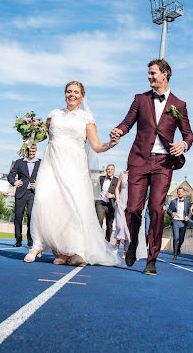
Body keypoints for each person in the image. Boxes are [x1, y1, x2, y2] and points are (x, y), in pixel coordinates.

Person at [110, 59, 193, 275]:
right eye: (148, 73)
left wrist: (183, 144)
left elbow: (188, 134)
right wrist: (118, 131)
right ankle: (132, 245)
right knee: (133, 209)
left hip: (164, 162)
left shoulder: (179, 104)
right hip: (139, 159)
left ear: (165, 74)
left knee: (156, 209)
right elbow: (127, 122)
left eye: (152, 73)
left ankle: (152, 259)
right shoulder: (140, 99)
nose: (149, 77)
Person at [24, 81, 121, 267]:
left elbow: (96, 146)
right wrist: (28, 132)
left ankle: (77, 251)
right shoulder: (54, 115)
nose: (72, 95)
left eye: (76, 92)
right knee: (45, 201)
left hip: (74, 166)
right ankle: (42, 246)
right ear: (64, 94)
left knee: (72, 206)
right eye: (69, 91)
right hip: (51, 164)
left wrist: (110, 144)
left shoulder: (86, 118)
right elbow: (41, 137)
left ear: (82, 96)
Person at [7, 144, 40, 247]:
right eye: (30, 152)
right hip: (21, 193)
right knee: (18, 216)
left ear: (36, 151)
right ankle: (18, 239)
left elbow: (46, 176)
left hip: (33, 193)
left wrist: (39, 184)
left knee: (30, 214)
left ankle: (30, 239)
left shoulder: (41, 163)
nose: (31, 153)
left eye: (33, 152)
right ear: (27, 151)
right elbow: (10, 176)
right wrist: (14, 182)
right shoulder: (19, 162)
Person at [113, 168, 147, 259]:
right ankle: (117, 242)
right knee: (120, 225)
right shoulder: (122, 173)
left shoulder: (138, 175)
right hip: (121, 202)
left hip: (131, 203)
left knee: (128, 228)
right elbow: (117, 188)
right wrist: (117, 199)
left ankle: (125, 250)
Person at [167, 187, 192, 260]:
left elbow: (190, 212)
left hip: (183, 222)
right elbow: (168, 210)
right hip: (175, 221)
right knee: (176, 238)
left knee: (181, 239)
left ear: (183, 193)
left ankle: (178, 248)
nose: (180, 193)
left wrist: (188, 217)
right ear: (177, 193)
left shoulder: (187, 202)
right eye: (179, 191)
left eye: (181, 192)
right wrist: (171, 213)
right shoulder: (173, 201)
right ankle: (175, 254)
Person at [95, 164, 118, 242]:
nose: (110, 171)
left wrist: (113, 195)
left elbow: (120, 193)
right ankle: (98, 240)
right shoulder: (100, 178)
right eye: (108, 169)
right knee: (99, 220)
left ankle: (107, 241)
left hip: (110, 205)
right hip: (100, 203)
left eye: (111, 169)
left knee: (109, 224)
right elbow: (96, 189)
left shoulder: (117, 180)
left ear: (114, 171)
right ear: (106, 170)